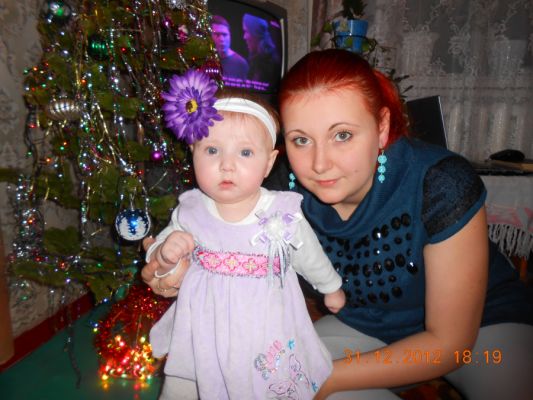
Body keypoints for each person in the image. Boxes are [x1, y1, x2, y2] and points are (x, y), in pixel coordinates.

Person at [144, 50, 533, 400]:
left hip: (481, 331)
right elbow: (205, 228)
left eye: (342, 135)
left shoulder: (440, 183)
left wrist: (321, 379)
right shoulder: (276, 190)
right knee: (267, 380)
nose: (320, 164)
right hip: (363, 327)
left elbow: (449, 345)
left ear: (382, 128)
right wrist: (168, 267)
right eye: (301, 140)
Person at [146, 88, 346, 400]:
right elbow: (157, 253)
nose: (226, 165)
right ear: (193, 152)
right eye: (212, 150)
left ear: (268, 163)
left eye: (245, 153)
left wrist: (330, 286)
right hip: (204, 321)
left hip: (263, 321)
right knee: (189, 380)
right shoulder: (191, 210)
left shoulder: (280, 212)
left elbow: (308, 253)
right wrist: (164, 251)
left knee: (258, 382)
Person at [242, 13, 281, 87]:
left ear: (255, 33)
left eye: (246, 31)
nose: (244, 37)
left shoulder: (271, 63)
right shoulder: (255, 58)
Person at [211, 15, 249, 81]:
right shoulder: (203, 59)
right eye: (217, 34)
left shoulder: (241, 64)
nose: (222, 39)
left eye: (225, 35)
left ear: (230, 36)